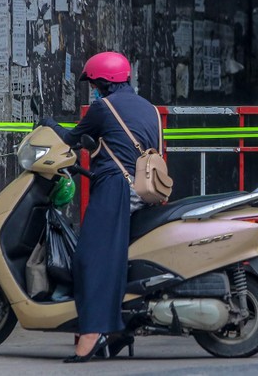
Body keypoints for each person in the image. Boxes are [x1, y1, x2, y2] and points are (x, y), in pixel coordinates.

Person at [38, 51, 161, 363]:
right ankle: (118, 328)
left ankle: (93, 333)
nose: (92, 88)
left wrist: (49, 123)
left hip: (115, 188)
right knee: (115, 257)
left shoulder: (103, 107)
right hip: (145, 188)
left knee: (89, 260)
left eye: (93, 82)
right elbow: (123, 143)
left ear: (104, 82)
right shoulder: (148, 108)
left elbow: (71, 138)